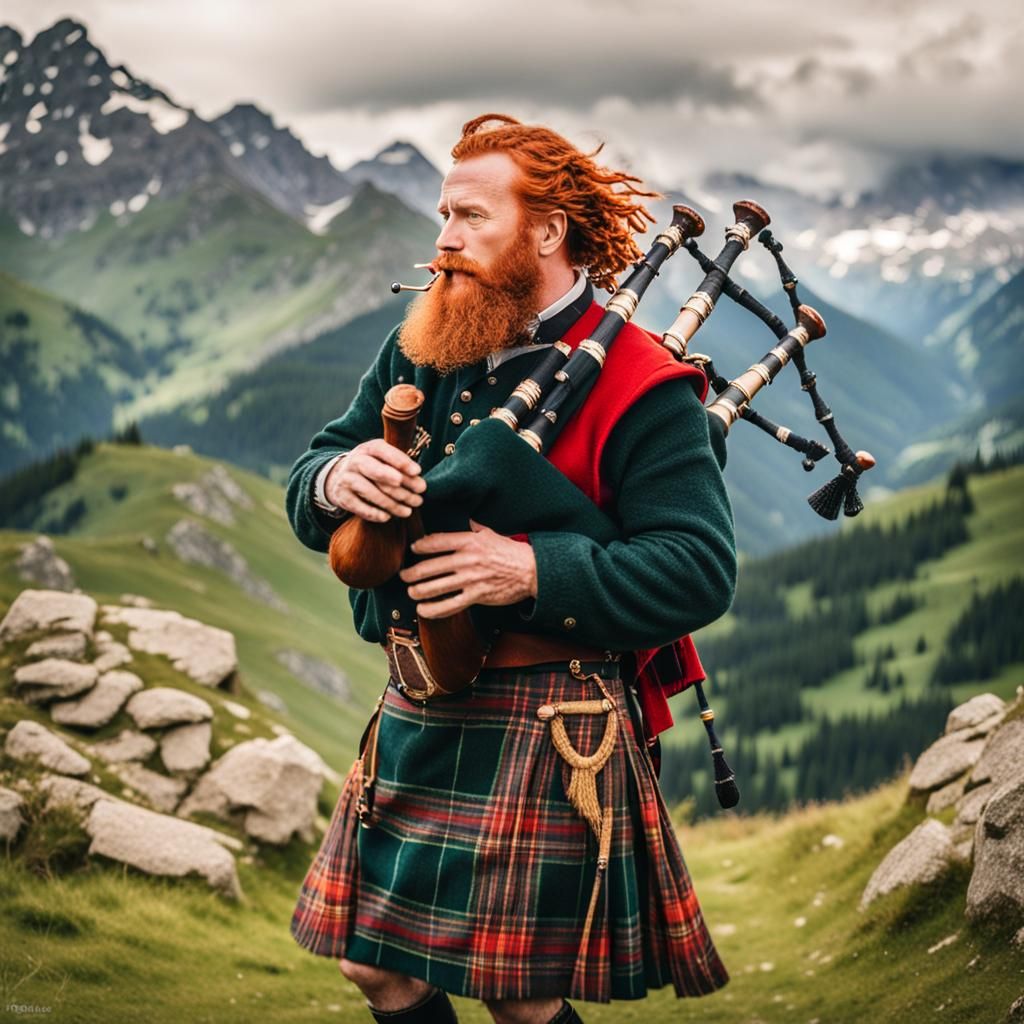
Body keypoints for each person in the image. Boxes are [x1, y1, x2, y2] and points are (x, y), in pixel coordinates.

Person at [285, 113, 736, 1024]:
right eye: (442, 215)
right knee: (377, 969)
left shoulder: (642, 383)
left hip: (550, 715)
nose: (444, 240)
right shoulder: (425, 341)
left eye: (471, 217)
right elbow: (311, 474)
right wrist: (339, 477)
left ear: (545, 231)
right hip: (418, 696)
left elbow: (697, 571)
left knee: (520, 999)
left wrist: (529, 570)